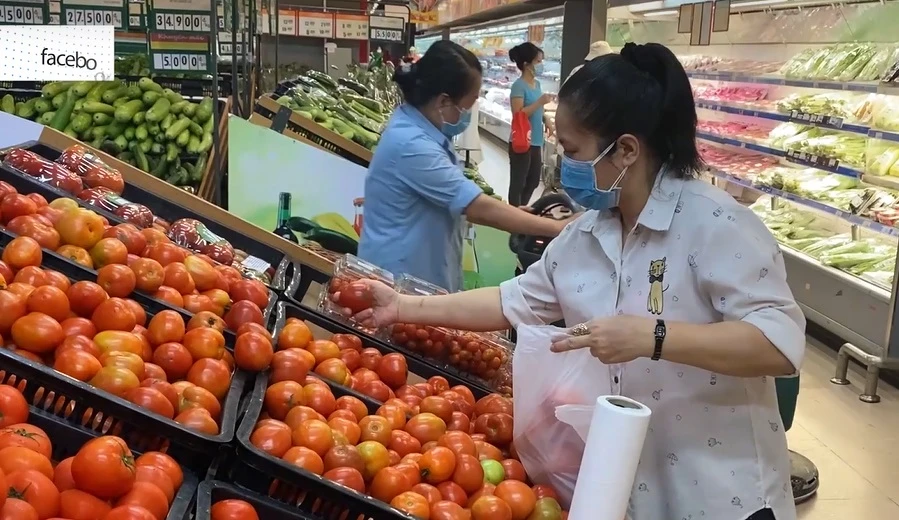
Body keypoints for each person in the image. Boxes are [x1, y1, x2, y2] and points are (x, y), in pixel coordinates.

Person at [341, 42, 805, 520]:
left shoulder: (717, 225)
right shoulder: (585, 235)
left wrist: (653, 336)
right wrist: (402, 306)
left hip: (719, 491)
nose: (566, 167)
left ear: (626, 149)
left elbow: (778, 344)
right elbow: (510, 302)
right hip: (628, 483)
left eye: (573, 150)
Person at [359, 40, 573, 293]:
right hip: (398, 283)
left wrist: (523, 215)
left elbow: (452, 197)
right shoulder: (412, 144)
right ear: (443, 102)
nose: (469, 112)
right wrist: (558, 227)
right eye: (469, 103)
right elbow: (475, 206)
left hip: (416, 278)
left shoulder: (424, 131)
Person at [508, 42, 554, 207]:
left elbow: (537, 110)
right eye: (538, 62)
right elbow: (518, 114)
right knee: (518, 183)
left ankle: (521, 209)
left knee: (534, 180)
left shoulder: (537, 84)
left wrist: (546, 119)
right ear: (527, 64)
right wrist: (540, 102)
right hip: (521, 141)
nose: (541, 65)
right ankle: (514, 218)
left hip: (535, 140)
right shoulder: (518, 86)